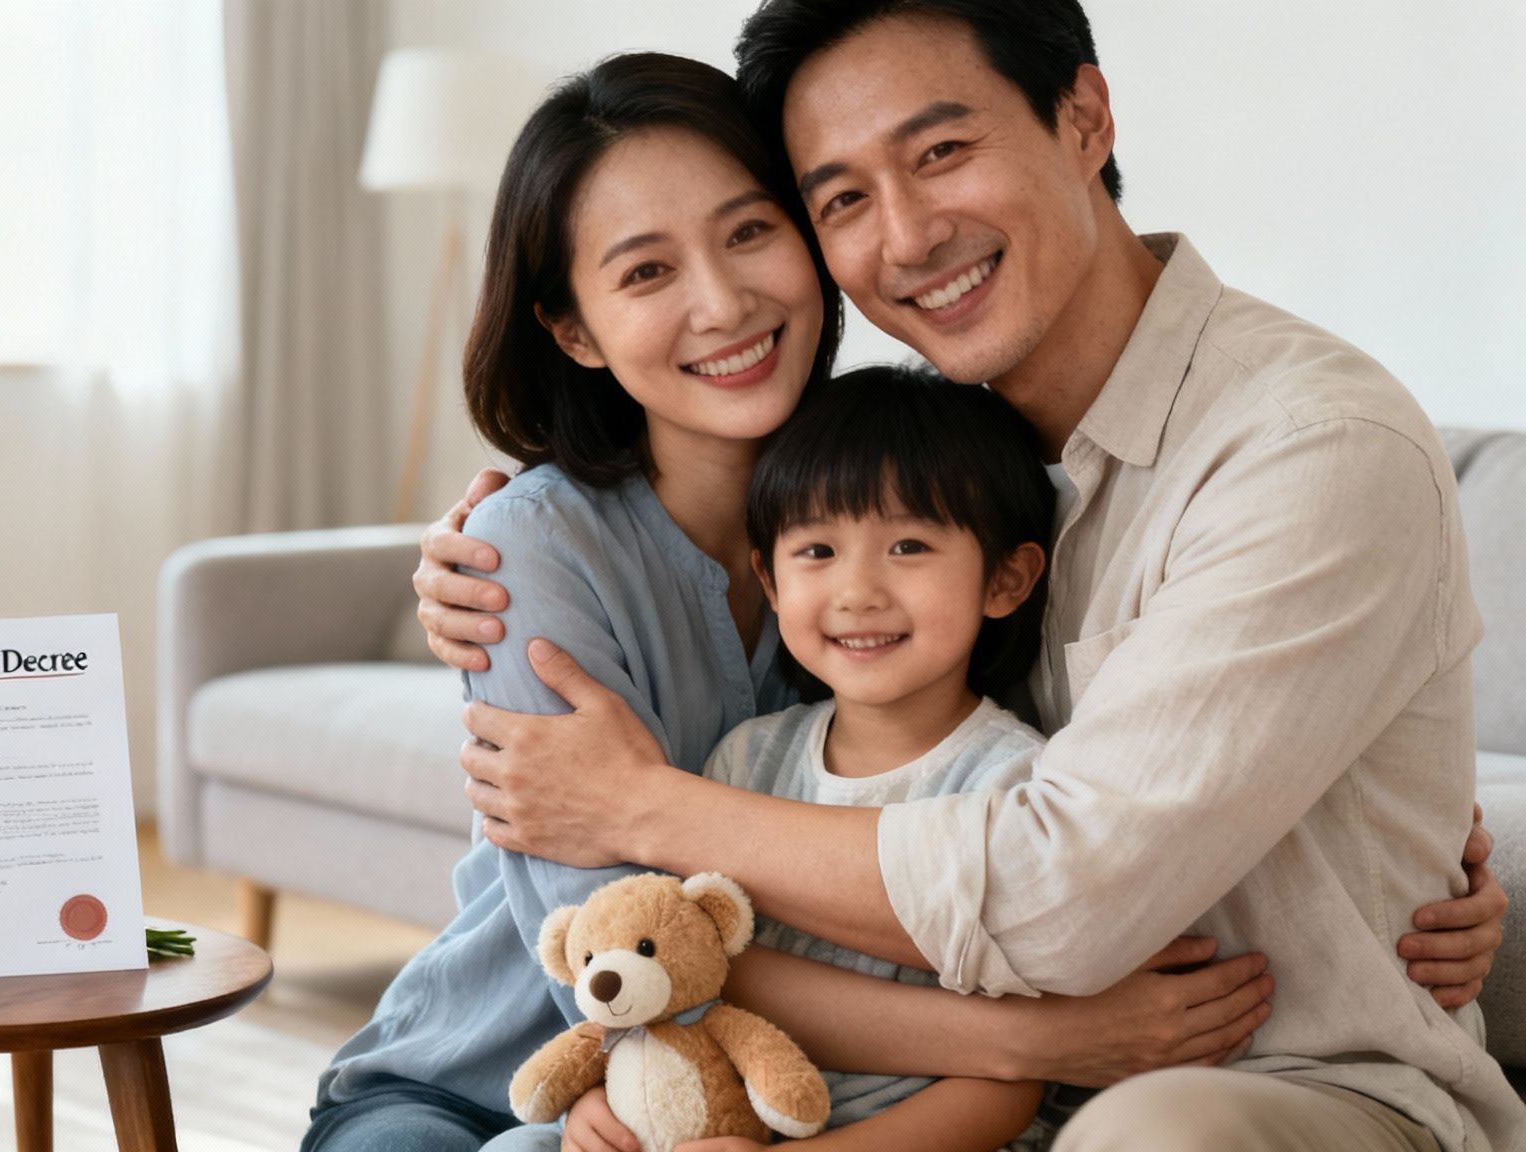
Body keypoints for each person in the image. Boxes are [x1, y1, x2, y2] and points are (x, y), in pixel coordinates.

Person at [421, 3, 1520, 1149]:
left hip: (1278, 1083)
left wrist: (645, 806)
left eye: (940, 151)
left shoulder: (1305, 447)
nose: (902, 238)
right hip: (929, 1088)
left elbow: (1066, 895)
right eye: (841, 197)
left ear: (1083, 118)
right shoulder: (944, 475)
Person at [303, 52, 1282, 1152]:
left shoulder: (941, 493)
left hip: (798, 1113)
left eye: (748, 232)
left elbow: (1086, 798)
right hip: (487, 1080)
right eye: (643, 274)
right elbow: (633, 957)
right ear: (572, 331)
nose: (721, 304)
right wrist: (1036, 1042)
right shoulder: (525, 556)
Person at [691, 365, 1063, 1152]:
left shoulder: (1014, 786)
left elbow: (1009, 1080)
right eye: (818, 549)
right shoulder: (747, 761)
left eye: (908, 544)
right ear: (768, 575)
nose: (857, 591)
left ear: (1006, 577)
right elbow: (684, 977)